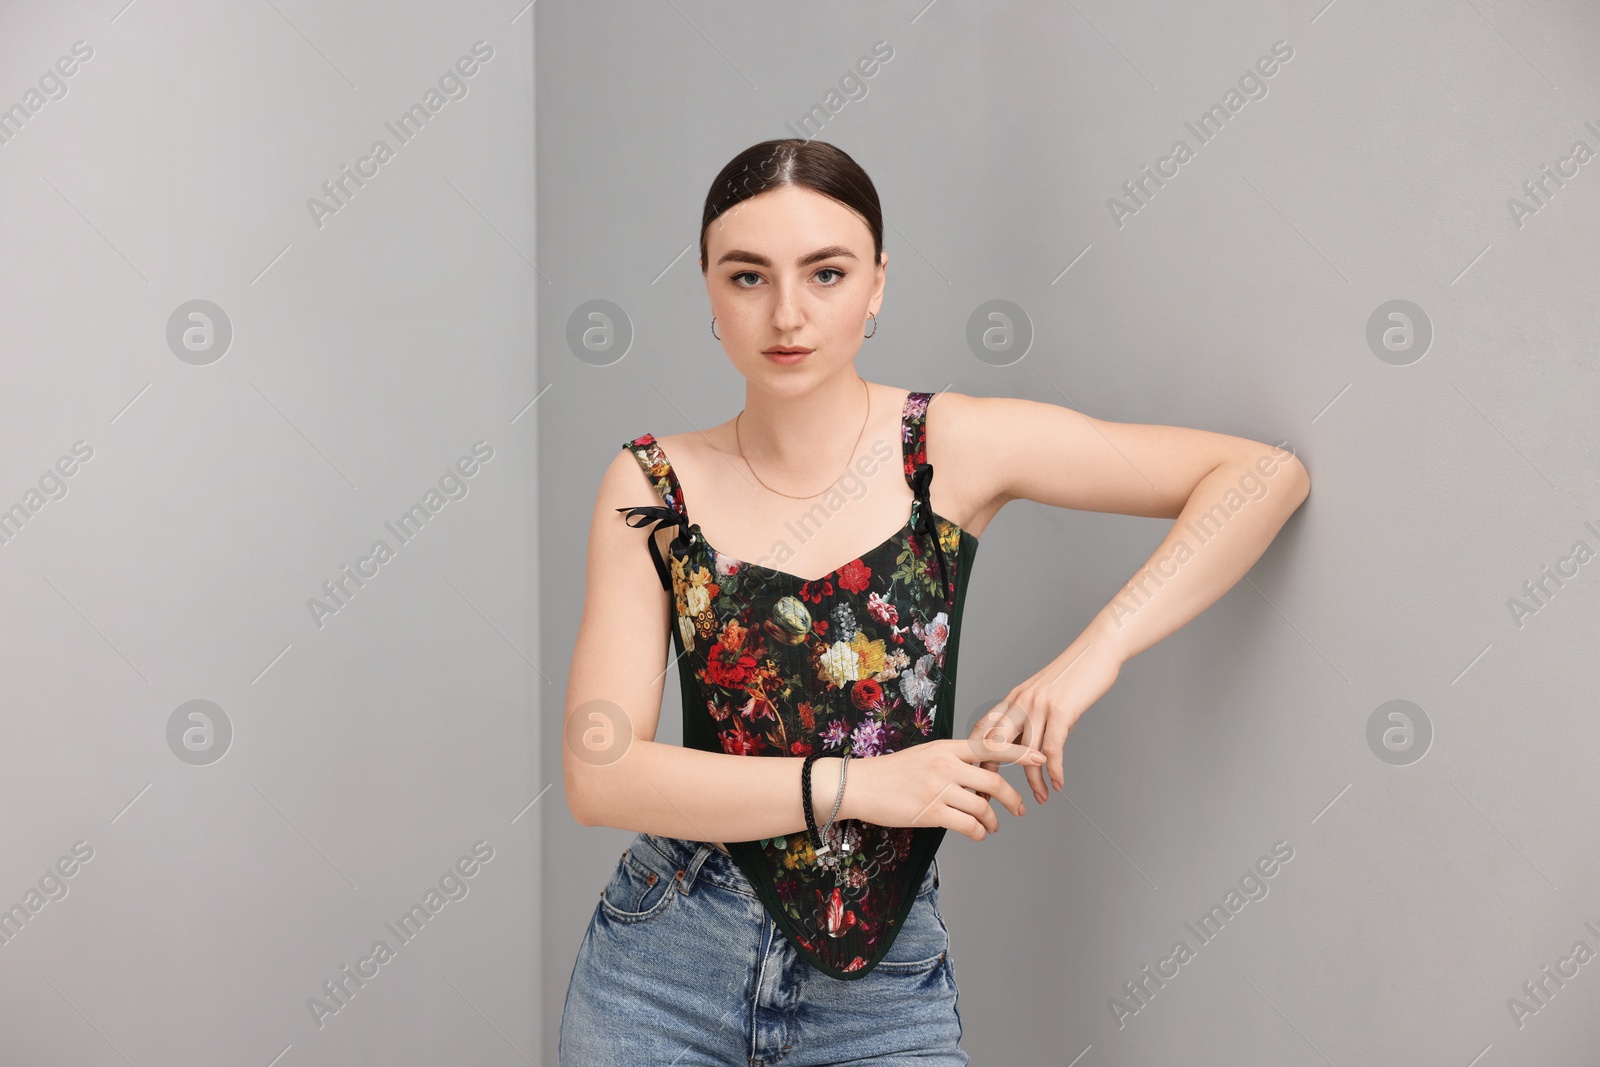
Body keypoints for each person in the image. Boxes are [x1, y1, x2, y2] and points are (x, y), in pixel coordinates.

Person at [558, 138, 1310, 1064]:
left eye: (826, 273)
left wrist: (1093, 655)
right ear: (709, 294)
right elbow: (600, 774)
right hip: (665, 965)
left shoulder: (948, 447)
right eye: (747, 276)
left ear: (877, 285)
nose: (787, 312)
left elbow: (1261, 477)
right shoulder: (652, 484)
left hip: (883, 989)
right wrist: (863, 786)